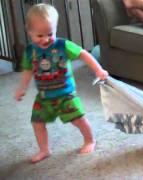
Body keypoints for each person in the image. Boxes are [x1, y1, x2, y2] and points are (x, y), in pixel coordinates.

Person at [15, 3, 109, 163]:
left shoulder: (63, 45)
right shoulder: (30, 52)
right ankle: (44, 150)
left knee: (78, 119)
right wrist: (22, 88)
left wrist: (98, 70)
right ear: (29, 32)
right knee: (37, 123)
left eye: (50, 33)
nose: (45, 39)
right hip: (44, 96)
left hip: (66, 94)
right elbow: (28, 70)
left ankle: (89, 140)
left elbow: (83, 54)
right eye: (39, 35)